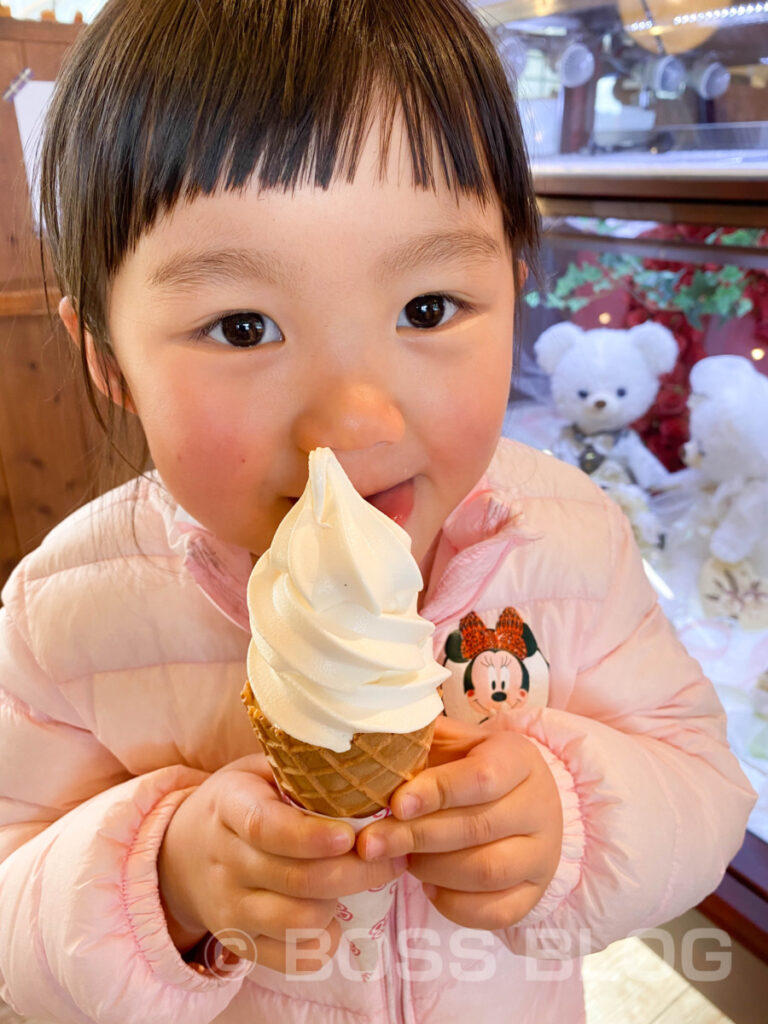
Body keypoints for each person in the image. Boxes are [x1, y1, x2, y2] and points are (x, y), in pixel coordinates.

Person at [0, 1, 755, 1021]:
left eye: (428, 309)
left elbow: (703, 788)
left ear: (516, 288)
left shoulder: (568, 542)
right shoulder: (68, 613)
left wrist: (569, 820)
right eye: (241, 324)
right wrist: (166, 880)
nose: (355, 421)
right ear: (108, 360)